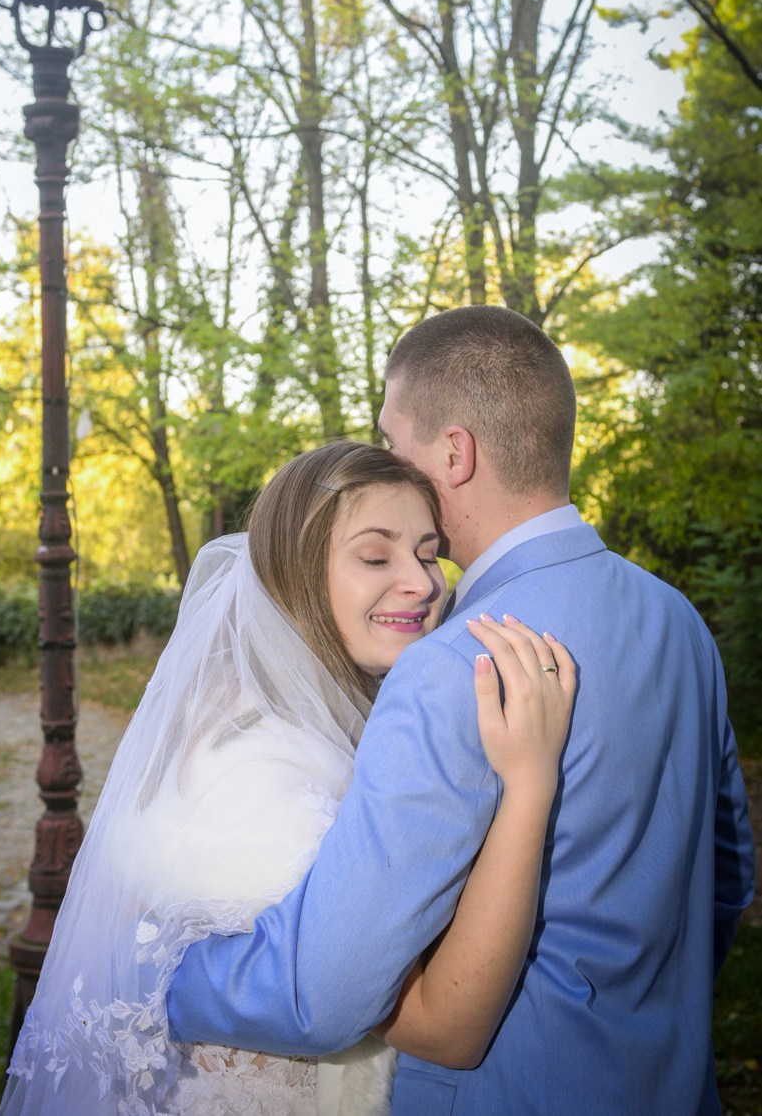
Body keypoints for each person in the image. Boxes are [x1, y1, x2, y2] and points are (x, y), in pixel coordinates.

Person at [167, 306, 756, 1115]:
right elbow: (724, 881)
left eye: (391, 435)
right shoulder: (676, 620)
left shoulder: (454, 666)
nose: (383, 457)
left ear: (453, 451)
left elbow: (325, 993)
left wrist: (163, 977)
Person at [0, 438, 576, 1114]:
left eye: (427, 552)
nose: (422, 583)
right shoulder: (264, 779)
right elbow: (443, 1027)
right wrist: (528, 783)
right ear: (296, 575)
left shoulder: (300, 720)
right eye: (374, 555)